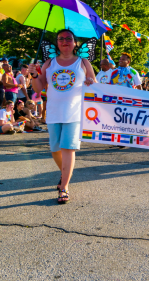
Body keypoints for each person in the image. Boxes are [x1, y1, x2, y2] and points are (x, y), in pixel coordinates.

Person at [29, 29, 96, 204]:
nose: (65, 41)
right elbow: (38, 88)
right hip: (53, 112)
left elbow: (94, 84)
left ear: (75, 43)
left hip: (75, 112)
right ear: (57, 42)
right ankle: (65, 173)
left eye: (68, 38)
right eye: (61, 39)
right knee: (55, 149)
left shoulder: (83, 62)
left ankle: (64, 187)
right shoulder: (49, 63)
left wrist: (90, 83)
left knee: (68, 148)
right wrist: (34, 74)